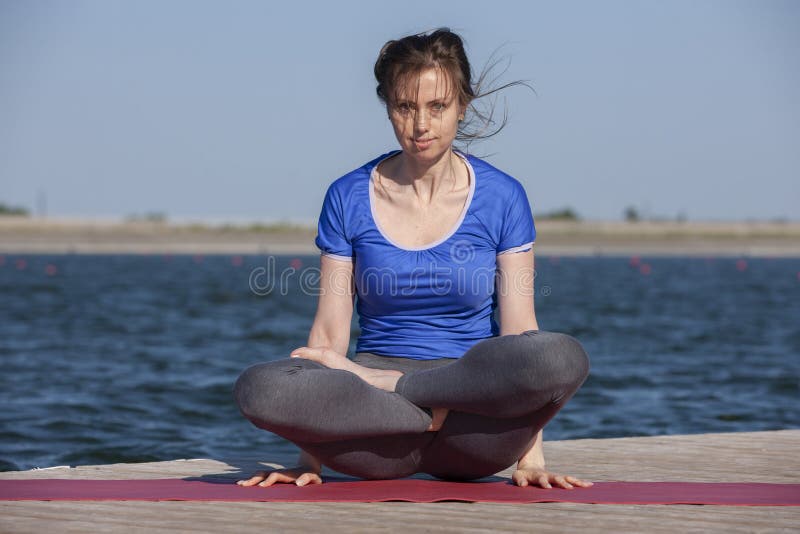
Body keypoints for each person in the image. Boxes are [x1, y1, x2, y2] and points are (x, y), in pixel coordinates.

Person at [234, 28, 591, 490]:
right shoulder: (347, 197)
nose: (421, 125)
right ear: (388, 108)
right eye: (405, 107)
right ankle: (396, 393)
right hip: (377, 429)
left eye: (437, 107)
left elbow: (519, 333)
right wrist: (310, 460)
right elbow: (327, 335)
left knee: (561, 356)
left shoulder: (504, 196)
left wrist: (530, 460)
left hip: (475, 421)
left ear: (462, 105)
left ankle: (402, 389)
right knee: (259, 387)